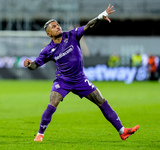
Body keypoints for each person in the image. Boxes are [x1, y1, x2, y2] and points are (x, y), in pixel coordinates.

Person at [24, 4, 139, 142]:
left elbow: (88, 26)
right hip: (63, 81)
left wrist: (100, 16)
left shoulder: (72, 35)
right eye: (54, 27)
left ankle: (122, 131)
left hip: (80, 80)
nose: (58, 27)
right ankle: (40, 135)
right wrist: (30, 64)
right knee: (53, 102)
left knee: (100, 100)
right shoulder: (47, 50)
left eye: (58, 25)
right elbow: (36, 65)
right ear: (49, 34)